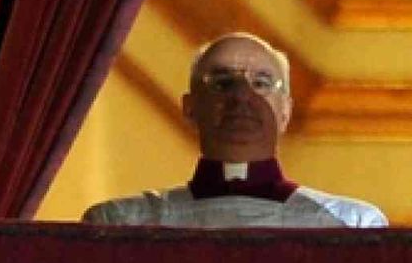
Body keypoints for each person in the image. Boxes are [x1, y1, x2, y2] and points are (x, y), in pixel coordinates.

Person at [83, 32, 386, 228]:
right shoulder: (122, 225)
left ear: (285, 111)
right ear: (190, 108)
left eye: (262, 83)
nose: (242, 96)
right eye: (222, 82)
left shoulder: (351, 225)